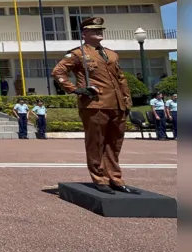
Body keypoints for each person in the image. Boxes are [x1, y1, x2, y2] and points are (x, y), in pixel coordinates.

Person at [51, 17, 138, 195]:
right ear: (84, 34)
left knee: (114, 144)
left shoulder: (112, 54)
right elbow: (58, 71)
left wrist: (127, 100)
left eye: (100, 30)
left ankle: (115, 178)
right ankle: (100, 178)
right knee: (96, 143)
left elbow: (121, 79)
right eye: (93, 30)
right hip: (95, 104)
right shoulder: (77, 54)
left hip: (117, 104)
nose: (99, 32)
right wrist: (76, 89)